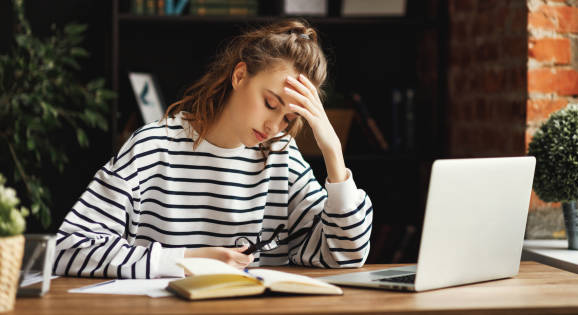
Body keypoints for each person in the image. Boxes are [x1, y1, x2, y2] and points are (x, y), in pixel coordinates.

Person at [53, 19, 373, 279]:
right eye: (270, 103)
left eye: (289, 118)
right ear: (239, 75)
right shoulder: (152, 149)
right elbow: (69, 248)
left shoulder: (282, 158)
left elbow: (346, 254)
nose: (274, 127)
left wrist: (333, 155)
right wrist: (185, 261)